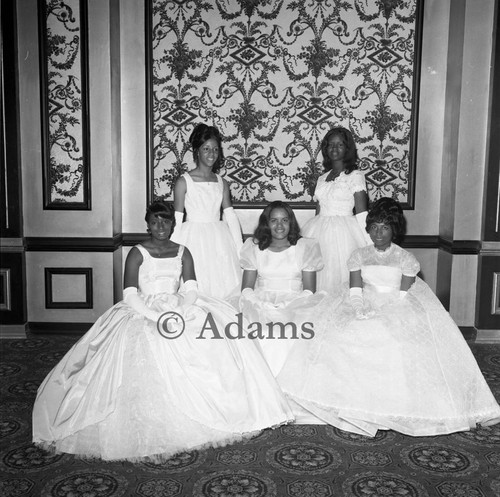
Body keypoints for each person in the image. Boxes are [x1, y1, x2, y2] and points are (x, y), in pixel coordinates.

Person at [33, 202, 293, 462]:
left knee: (214, 340)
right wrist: (156, 317)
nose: (160, 227)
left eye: (165, 222)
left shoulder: (183, 251)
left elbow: (191, 287)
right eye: (155, 221)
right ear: (147, 224)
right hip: (143, 311)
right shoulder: (137, 252)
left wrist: (179, 310)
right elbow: (130, 293)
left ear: (173, 224)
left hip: (179, 306)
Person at [278, 197, 500, 437]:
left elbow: (404, 296)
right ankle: (353, 401)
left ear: (394, 229)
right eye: (373, 227)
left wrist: (384, 313)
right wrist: (359, 307)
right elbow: (355, 289)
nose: (378, 233)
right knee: (344, 332)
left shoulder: (405, 259)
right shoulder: (359, 255)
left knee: (389, 336)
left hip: (397, 306)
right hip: (364, 301)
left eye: (384, 227)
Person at [239, 201, 326, 378]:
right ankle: (261, 380)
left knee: (287, 333)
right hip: (260, 301)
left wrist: (286, 305)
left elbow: (309, 290)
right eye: (274, 220)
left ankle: (286, 381)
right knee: (258, 331)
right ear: (266, 223)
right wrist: (261, 304)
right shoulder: (254, 248)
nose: (279, 226)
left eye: (284, 220)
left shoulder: (304, 247)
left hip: (296, 302)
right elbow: (246, 288)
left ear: (291, 223)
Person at [171, 123, 242, 299]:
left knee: (222, 282)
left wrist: (240, 249)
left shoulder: (222, 182)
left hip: (220, 238)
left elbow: (230, 216)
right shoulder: (183, 182)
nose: (211, 154)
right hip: (193, 237)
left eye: (215, 150)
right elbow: (177, 220)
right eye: (206, 149)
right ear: (197, 151)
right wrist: (171, 252)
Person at [301, 126, 371, 294]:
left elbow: (362, 214)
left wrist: (370, 246)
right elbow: (318, 211)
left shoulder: (355, 176)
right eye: (330, 144)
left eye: (340, 144)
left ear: (347, 148)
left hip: (345, 234)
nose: (334, 148)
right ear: (325, 148)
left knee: (341, 280)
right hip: (318, 231)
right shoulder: (322, 178)